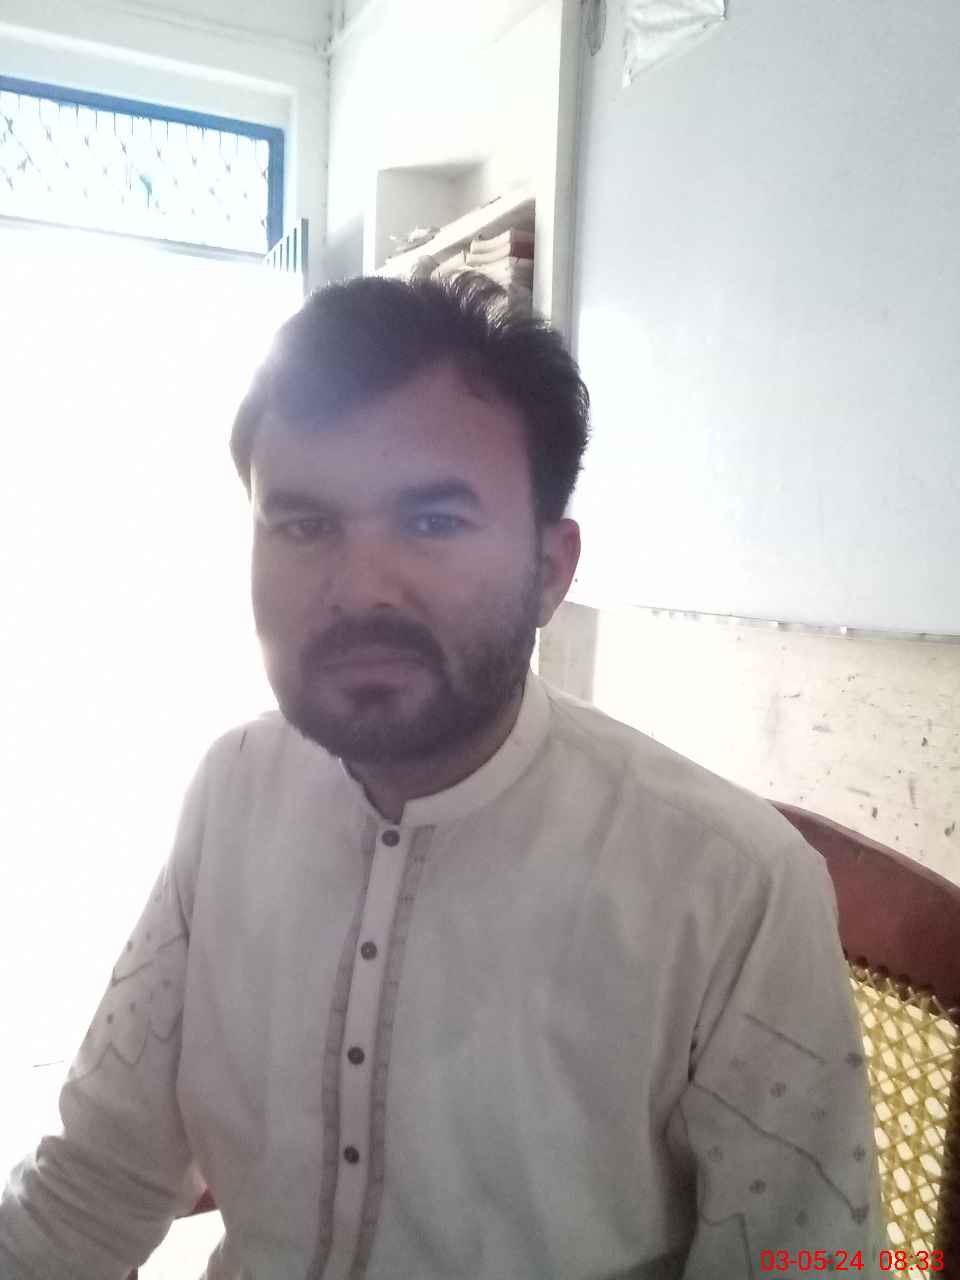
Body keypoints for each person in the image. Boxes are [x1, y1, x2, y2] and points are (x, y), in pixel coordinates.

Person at [0, 274, 884, 1278]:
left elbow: (812, 1261)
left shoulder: (729, 886)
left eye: (431, 521)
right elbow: (92, 1183)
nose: (360, 589)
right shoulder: (233, 792)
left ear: (551, 569)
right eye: (303, 525)